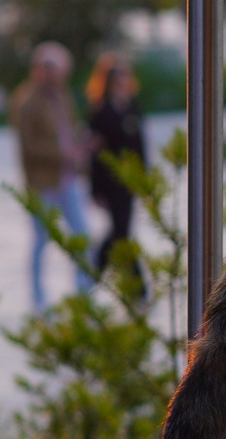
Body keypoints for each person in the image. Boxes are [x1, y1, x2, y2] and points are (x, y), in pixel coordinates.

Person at [11, 41, 94, 305]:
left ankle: (84, 295)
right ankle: (38, 299)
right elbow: (29, 146)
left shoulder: (61, 96)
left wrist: (82, 144)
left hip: (67, 178)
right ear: (42, 69)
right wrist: (64, 152)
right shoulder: (26, 101)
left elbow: (69, 128)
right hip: (42, 182)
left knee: (82, 235)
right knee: (41, 240)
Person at [86, 50, 145, 276]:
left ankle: (96, 266)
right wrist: (96, 188)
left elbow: (140, 146)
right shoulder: (100, 112)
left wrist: (142, 177)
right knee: (121, 231)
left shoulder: (132, 108)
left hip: (129, 180)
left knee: (121, 230)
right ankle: (136, 284)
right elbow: (96, 154)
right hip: (110, 181)